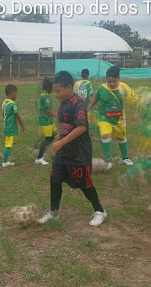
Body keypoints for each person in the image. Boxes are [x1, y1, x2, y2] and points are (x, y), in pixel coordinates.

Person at [38, 71, 107, 227]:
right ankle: (53, 213)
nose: (55, 94)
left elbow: (81, 127)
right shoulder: (63, 103)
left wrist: (62, 142)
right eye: (55, 91)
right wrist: (61, 136)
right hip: (64, 152)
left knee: (84, 183)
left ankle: (100, 210)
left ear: (69, 87)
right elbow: (68, 125)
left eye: (58, 91)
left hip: (79, 152)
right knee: (55, 179)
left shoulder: (79, 103)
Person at [89, 66, 138, 169]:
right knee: (105, 135)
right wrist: (88, 108)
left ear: (119, 79)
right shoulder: (102, 88)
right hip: (104, 117)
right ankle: (108, 160)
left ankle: (126, 158)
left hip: (119, 118)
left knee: (121, 137)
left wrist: (137, 102)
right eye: (109, 81)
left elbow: (133, 98)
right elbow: (95, 98)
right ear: (106, 79)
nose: (111, 84)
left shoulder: (124, 88)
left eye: (114, 81)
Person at [2, 84, 25, 167]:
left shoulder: (5, 103)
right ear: (12, 93)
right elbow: (17, 115)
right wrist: (22, 125)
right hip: (10, 128)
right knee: (8, 144)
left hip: (7, 126)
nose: (16, 95)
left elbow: (3, 114)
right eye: (16, 93)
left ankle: (7, 157)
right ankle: (5, 162)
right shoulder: (13, 104)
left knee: (10, 142)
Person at [35, 77, 55, 166]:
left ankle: (40, 153)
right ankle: (39, 157)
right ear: (49, 87)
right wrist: (58, 116)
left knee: (54, 135)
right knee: (48, 139)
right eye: (52, 87)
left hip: (48, 121)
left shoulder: (44, 95)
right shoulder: (46, 97)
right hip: (46, 121)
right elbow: (49, 111)